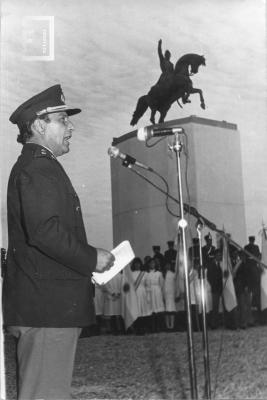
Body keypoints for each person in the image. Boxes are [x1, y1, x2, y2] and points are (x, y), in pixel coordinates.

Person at [3, 84, 114, 400]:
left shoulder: (40, 165)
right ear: (39, 125)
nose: (71, 126)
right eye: (63, 120)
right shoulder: (38, 167)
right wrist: (91, 258)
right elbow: (45, 231)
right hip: (47, 309)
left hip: (47, 306)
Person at [244, 235, 262, 322]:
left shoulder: (256, 247)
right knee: (249, 300)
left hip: (255, 276)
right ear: (249, 240)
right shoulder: (246, 247)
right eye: (251, 240)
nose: (252, 242)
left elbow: (258, 256)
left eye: (253, 240)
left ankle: (258, 317)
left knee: (256, 299)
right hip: (249, 275)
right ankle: (250, 318)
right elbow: (246, 258)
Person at [207, 249, 223, 329]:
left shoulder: (219, 265)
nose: (220, 257)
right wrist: (215, 286)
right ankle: (213, 324)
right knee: (214, 307)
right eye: (219, 255)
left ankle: (216, 322)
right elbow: (210, 277)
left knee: (217, 307)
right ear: (216, 255)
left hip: (219, 289)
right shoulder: (211, 265)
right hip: (214, 289)